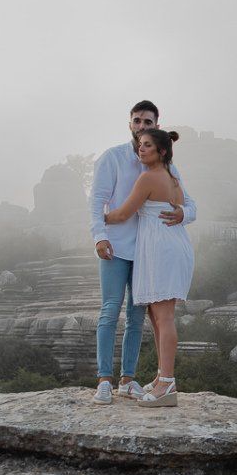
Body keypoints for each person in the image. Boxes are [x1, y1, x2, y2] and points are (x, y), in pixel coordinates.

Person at [90, 100, 194, 402]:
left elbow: (190, 205)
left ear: (156, 127)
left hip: (149, 253)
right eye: (136, 121)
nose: (141, 127)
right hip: (117, 247)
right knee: (111, 310)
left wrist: (183, 214)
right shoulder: (113, 157)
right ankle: (104, 380)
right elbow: (97, 199)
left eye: (147, 122)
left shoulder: (164, 167)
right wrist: (99, 234)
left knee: (139, 317)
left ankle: (129, 379)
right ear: (130, 123)